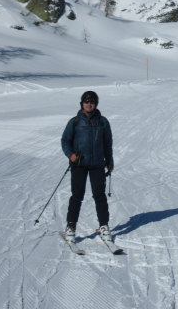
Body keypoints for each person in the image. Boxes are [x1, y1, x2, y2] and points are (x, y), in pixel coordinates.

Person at [61, 91, 114, 242]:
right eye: (86, 101)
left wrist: (110, 161)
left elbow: (108, 143)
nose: (89, 104)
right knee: (77, 195)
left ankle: (104, 226)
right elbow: (65, 141)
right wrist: (71, 154)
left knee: (99, 196)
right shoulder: (75, 122)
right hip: (79, 164)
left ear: (96, 104)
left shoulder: (103, 122)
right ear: (82, 103)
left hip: (97, 164)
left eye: (92, 102)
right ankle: (71, 227)